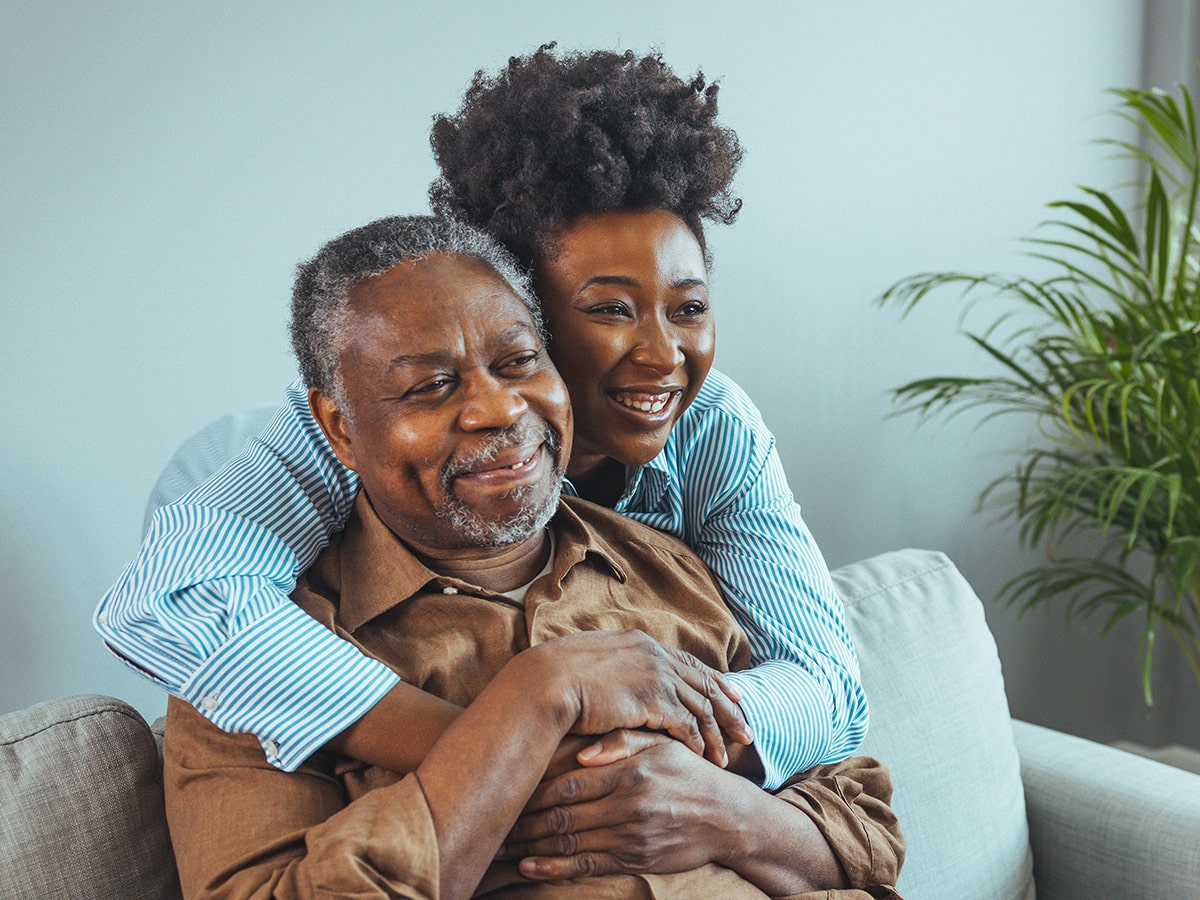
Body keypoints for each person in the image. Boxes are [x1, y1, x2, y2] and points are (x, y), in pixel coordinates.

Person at [96, 45, 865, 795]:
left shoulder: (714, 424)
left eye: (689, 307)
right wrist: (507, 753)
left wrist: (653, 757)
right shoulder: (344, 432)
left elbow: (829, 688)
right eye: (609, 310)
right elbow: (169, 597)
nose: (664, 356)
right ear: (516, 309)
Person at [163, 214, 902, 899]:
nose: (500, 409)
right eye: (431, 385)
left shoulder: (667, 562)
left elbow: (867, 831)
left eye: (518, 361)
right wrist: (536, 699)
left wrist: (723, 812)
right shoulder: (247, 663)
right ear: (339, 427)